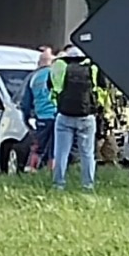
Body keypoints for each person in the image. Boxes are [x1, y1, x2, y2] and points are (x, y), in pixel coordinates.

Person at [49, 45, 107, 190]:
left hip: (64, 115)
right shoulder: (93, 67)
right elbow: (102, 89)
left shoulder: (59, 66)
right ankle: (87, 185)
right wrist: (97, 107)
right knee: (87, 154)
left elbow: (50, 87)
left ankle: (58, 185)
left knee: (61, 153)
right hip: (86, 116)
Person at [19, 46, 57, 171]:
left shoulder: (33, 78)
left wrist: (27, 120)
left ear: (39, 63)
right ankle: (53, 172)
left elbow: (25, 103)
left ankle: (31, 169)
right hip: (57, 116)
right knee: (55, 149)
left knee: (37, 148)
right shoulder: (56, 74)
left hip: (41, 117)